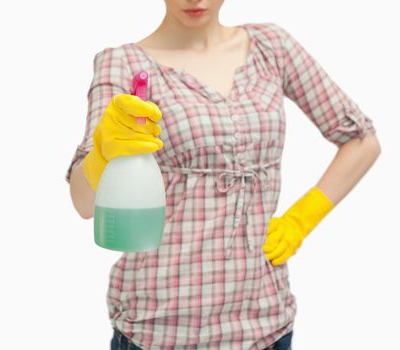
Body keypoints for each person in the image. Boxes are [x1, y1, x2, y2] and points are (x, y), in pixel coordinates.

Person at [65, 0, 381, 349]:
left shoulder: (271, 48)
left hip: (264, 324)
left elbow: (362, 142)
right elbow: (83, 202)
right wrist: (103, 151)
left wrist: (301, 219)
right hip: (157, 328)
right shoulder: (122, 63)